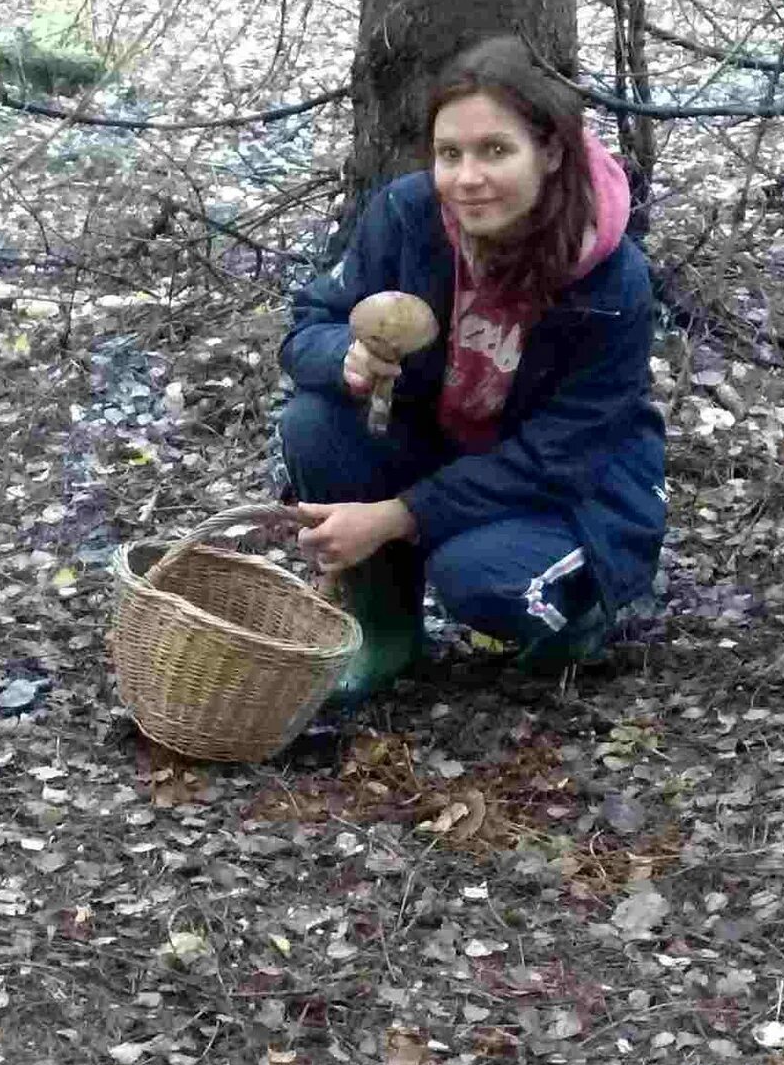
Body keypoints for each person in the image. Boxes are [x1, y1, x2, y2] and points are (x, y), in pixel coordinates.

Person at [277, 36, 665, 698]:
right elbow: (309, 324)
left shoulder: (612, 283)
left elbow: (557, 460)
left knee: (483, 579)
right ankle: (385, 630)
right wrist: (348, 357)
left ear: (549, 152)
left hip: (575, 493)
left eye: (495, 151)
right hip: (448, 443)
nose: (467, 178)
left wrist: (396, 516)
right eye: (449, 154)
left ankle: (582, 611)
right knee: (315, 422)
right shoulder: (407, 215)